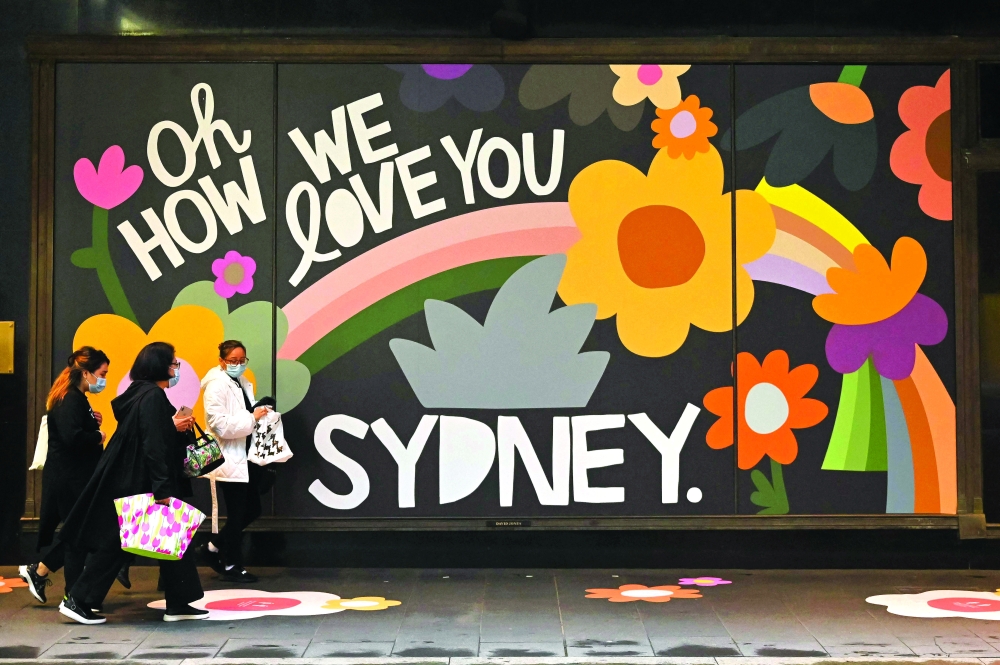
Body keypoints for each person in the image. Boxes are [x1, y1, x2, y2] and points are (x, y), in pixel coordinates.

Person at [55, 342, 207, 624]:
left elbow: (147, 434)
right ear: (159, 365)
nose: (176, 369)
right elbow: (151, 444)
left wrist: (170, 428)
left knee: (168, 534)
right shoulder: (152, 397)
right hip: (141, 480)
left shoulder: (140, 393)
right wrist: (162, 488)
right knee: (122, 541)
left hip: (130, 477)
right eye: (174, 364)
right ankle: (78, 599)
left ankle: (179, 602)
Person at [19, 347, 109, 606]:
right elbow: (73, 438)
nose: (104, 379)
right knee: (77, 536)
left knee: (77, 534)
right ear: (86, 372)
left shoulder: (74, 397)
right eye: (102, 374)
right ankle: (72, 594)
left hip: (71, 477)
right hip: (71, 479)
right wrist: (98, 435)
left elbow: (73, 428)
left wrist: (93, 421)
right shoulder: (70, 398)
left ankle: (43, 573)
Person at [198, 340, 269, 583]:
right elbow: (220, 425)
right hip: (229, 457)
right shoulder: (216, 386)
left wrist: (260, 412)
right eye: (233, 361)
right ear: (221, 360)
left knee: (251, 509)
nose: (238, 365)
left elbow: (245, 414)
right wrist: (252, 417)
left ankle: (212, 548)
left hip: (246, 456)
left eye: (242, 361)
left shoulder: (242, 382)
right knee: (237, 512)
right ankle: (231, 565)